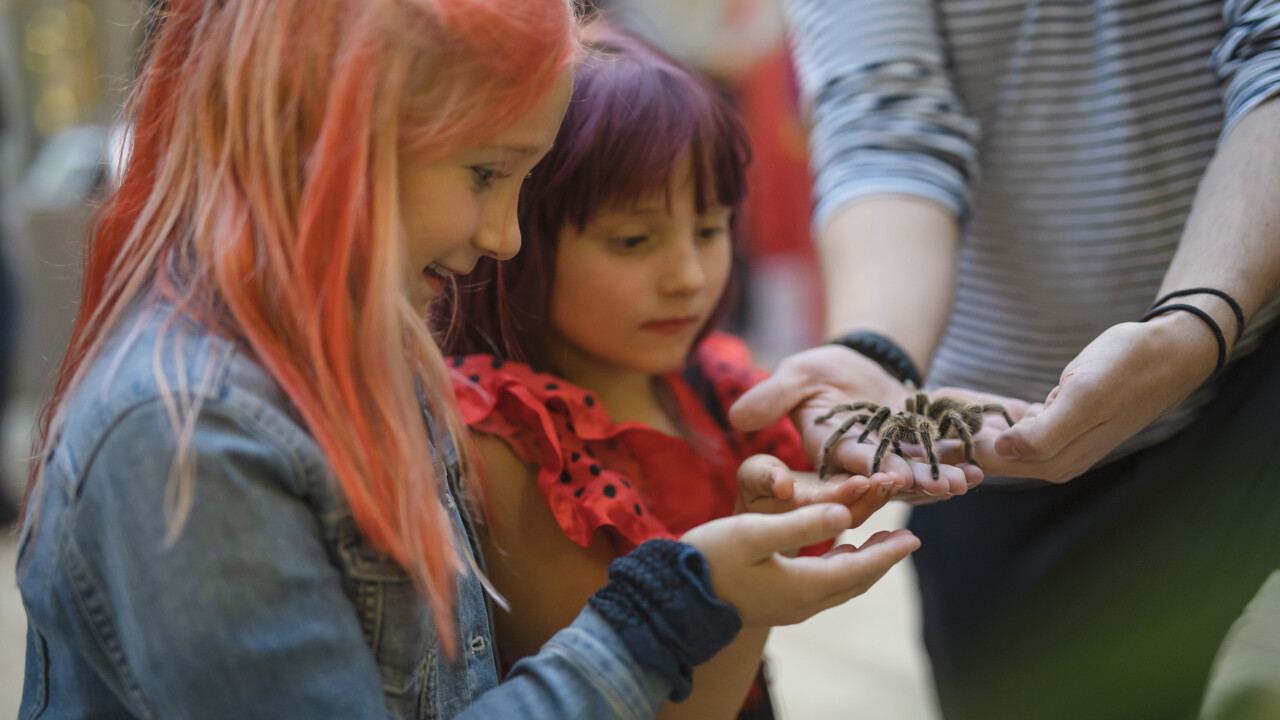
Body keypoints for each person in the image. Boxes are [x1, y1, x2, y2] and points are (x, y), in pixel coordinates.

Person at [14, 1, 924, 718]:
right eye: (485, 173)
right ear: (327, 135)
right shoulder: (186, 437)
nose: (504, 235)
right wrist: (662, 613)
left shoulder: (375, 349)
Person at [727, 1, 1280, 718]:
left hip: (1251, 381)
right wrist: (871, 350)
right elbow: (887, 124)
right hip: (997, 453)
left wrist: (1197, 320)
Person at [435, 27, 922, 720]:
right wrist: (744, 593)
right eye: (633, 241)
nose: (688, 280)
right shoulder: (509, 441)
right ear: (515, 228)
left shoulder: (706, 381)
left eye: (710, 228)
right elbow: (651, 708)